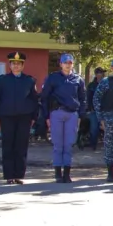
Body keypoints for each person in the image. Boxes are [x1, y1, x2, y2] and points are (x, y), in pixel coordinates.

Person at [0, 52, 40, 185]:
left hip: (24, 118)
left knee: (21, 147)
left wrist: (34, 117)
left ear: (23, 66)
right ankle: (9, 176)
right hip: (6, 118)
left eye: (19, 64)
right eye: (13, 64)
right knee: (8, 147)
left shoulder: (29, 80)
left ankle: (19, 175)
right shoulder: (1, 80)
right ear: (9, 65)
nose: (16, 66)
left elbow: (35, 100)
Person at [41, 53, 86, 183]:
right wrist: (46, 116)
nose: (68, 64)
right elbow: (44, 98)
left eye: (70, 62)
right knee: (58, 145)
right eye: (65, 62)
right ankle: (57, 173)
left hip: (72, 114)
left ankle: (66, 173)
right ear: (60, 64)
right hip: (57, 113)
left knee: (69, 144)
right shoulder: (53, 78)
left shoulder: (78, 79)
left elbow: (83, 99)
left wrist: (80, 116)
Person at [85, 67, 105, 150]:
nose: (102, 74)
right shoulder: (91, 85)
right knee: (94, 129)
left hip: (105, 111)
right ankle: (93, 144)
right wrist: (89, 109)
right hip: (94, 111)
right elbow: (88, 98)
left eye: (103, 73)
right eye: (100, 73)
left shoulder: (106, 84)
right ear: (97, 74)